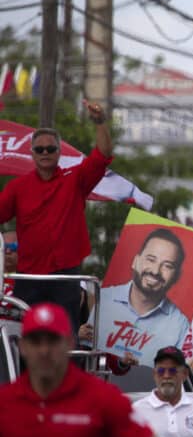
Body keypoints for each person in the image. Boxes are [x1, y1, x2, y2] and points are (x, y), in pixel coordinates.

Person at [0, 302, 167, 437]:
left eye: (53, 340)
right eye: (36, 341)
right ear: (22, 346)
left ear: (70, 343)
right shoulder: (5, 401)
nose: (44, 350)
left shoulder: (104, 397)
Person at [0, 101, 112, 333]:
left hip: (65, 276)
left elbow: (103, 156)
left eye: (50, 149)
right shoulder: (17, 187)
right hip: (29, 277)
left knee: (65, 340)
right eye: (39, 149)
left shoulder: (75, 179)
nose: (45, 153)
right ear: (32, 153)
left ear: (59, 153)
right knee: (26, 339)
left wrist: (100, 122)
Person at [84, 228, 191, 360]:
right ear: (135, 261)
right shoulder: (103, 299)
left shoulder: (180, 325)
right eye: (151, 260)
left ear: (176, 276)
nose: (156, 271)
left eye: (167, 266)